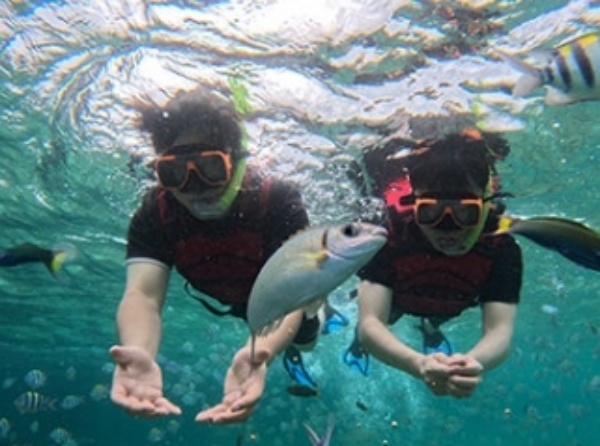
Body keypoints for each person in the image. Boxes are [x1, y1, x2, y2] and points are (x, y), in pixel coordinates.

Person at [109, 88, 337, 424]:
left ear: (237, 161)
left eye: (210, 167)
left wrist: (261, 354)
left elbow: (290, 294)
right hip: (237, 301)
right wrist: (138, 352)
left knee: (306, 342)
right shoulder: (155, 214)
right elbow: (142, 295)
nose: (195, 187)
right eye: (175, 173)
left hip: (284, 301)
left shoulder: (277, 200)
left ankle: (321, 304)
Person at [344, 129, 522, 398]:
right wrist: (417, 364)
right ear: (415, 205)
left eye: (465, 212)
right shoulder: (386, 235)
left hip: (451, 301)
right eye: (430, 212)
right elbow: (371, 323)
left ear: (485, 205)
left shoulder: (501, 247)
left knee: (438, 314)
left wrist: (473, 364)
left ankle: (430, 327)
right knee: (376, 323)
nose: (447, 228)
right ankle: (425, 329)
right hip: (399, 298)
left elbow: (500, 331)